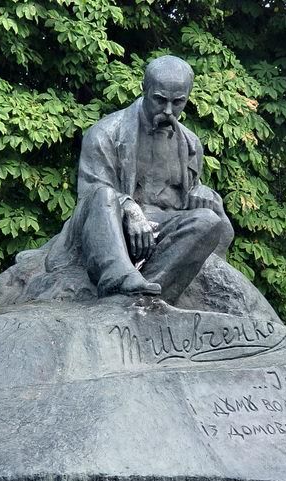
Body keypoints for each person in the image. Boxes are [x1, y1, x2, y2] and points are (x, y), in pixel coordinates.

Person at [45, 55, 234, 303]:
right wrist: (129, 209)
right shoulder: (105, 132)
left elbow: (188, 196)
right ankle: (117, 279)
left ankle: (148, 293)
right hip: (110, 225)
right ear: (144, 90)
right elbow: (92, 195)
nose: (168, 111)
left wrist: (206, 198)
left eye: (178, 102)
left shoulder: (190, 145)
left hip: (160, 227)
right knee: (103, 195)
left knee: (209, 220)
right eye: (159, 100)